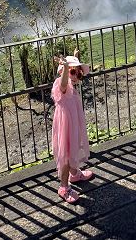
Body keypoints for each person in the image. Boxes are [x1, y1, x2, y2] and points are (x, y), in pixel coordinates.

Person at [51, 50, 95, 203]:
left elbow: (70, 76)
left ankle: (75, 174)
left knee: (73, 149)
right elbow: (64, 82)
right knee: (65, 155)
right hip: (65, 127)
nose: (77, 77)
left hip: (73, 123)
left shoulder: (71, 82)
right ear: (63, 71)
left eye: (79, 74)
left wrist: (75, 59)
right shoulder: (61, 85)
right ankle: (63, 187)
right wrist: (66, 66)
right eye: (74, 72)